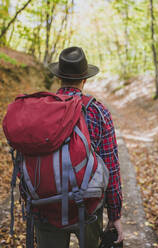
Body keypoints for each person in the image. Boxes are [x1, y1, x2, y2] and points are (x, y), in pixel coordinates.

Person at [34, 46, 123, 248]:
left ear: (59, 78)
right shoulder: (98, 111)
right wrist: (115, 214)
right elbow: (111, 166)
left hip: (46, 206)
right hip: (88, 206)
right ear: (85, 80)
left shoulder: (41, 110)